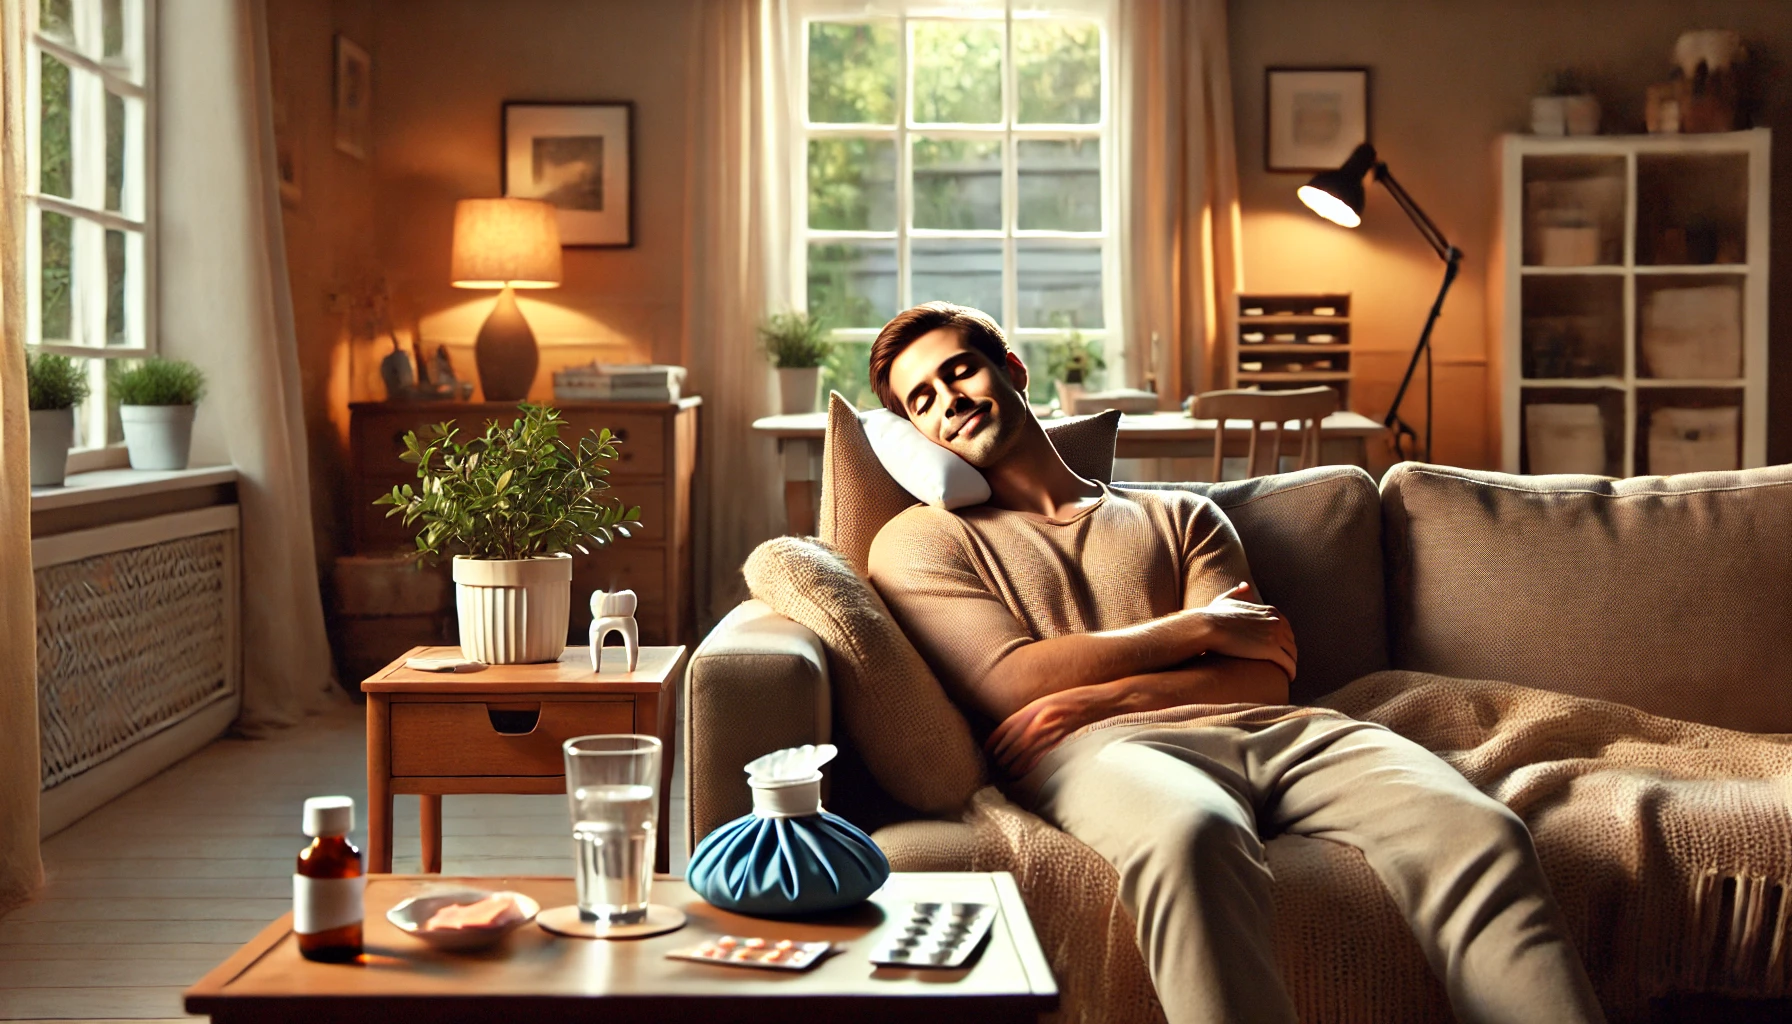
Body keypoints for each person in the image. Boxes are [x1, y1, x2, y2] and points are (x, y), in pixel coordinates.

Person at [863, 302, 1605, 1024]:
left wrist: (1088, 698)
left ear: (1013, 370)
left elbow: (1263, 673)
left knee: (1479, 831)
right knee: (1194, 838)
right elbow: (1011, 681)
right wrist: (1198, 627)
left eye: (960, 372)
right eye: (921, 400)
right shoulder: (922, 541)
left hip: (1272, 731)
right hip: (1101, 757)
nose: (948, 402)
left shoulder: (1183, 516)